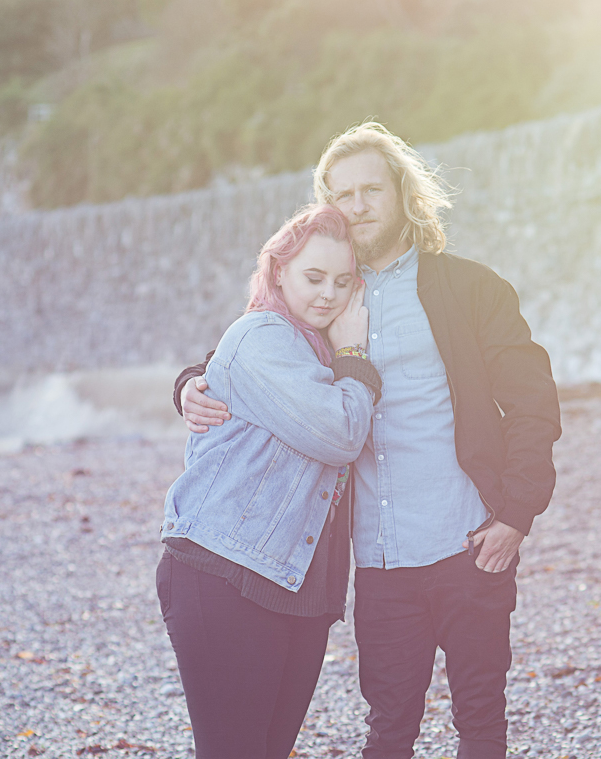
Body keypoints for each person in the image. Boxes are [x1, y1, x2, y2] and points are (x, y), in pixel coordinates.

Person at [176, 123, 562, 759]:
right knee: (387, 731)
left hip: (468, 538)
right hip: (378, 559)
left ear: (403, 193)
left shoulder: (469, 289)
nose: (356, 206)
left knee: (482, 721)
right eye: (341, 193)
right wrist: (190, 381)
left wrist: (518, 512)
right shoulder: (326, 294)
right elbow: (248, 349)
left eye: (370, 191)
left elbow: (531, 401)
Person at [158, 204, 382, 759]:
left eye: (342, 281)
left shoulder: (313, 344)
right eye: (313, 277)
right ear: (279, 271)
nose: (328, 294)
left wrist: (190, 379)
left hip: (297, 584)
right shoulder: (264, 334)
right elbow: (340, 434)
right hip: (224, 575)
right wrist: (354, 353)